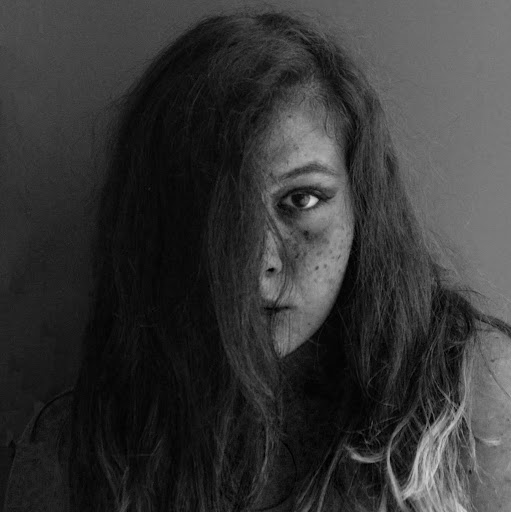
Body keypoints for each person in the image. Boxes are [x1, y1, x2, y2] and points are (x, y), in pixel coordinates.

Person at [4, 8, 511, 512]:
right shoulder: (75, 458)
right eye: (220, 214)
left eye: (302, 199)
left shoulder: (470, 401)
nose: (259, 264)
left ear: (362, 205)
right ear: (160, 227)